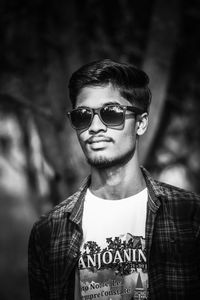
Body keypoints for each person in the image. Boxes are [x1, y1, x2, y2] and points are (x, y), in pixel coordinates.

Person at [28, 59, 200, 300]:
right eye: (82, 116)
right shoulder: (48, 231)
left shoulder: (189, 215)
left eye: (111, 113)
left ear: (141, 123)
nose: (95, 127)